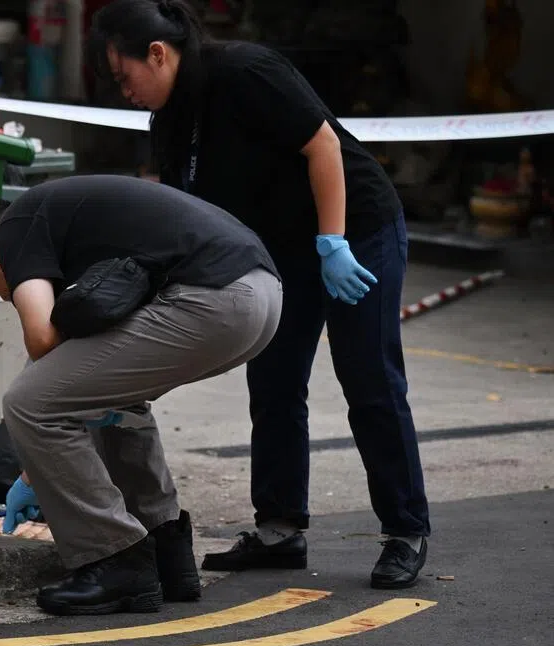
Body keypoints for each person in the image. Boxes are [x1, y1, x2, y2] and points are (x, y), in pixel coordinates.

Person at [89, 0, 432, 589]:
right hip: (279, 252)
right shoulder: (170, 121)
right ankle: (279, 529)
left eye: (124, 76)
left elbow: (323, 146)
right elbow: (188, 220)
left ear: (158, 53)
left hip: (355, 229)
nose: (124, 91)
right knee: (272, 380)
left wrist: (333, 243)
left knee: (368, 376)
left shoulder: (246, 72)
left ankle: (406, 530)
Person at [0, 174, 282, 615]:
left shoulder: (17, 227)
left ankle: (113, 559)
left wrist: (34, 475)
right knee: (113, 395)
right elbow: (81, 372)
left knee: (29, 402)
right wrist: (37, 472)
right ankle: (165, 552)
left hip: (211, 298)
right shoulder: (68, 225)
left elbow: (42, 340)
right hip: (262, 298)